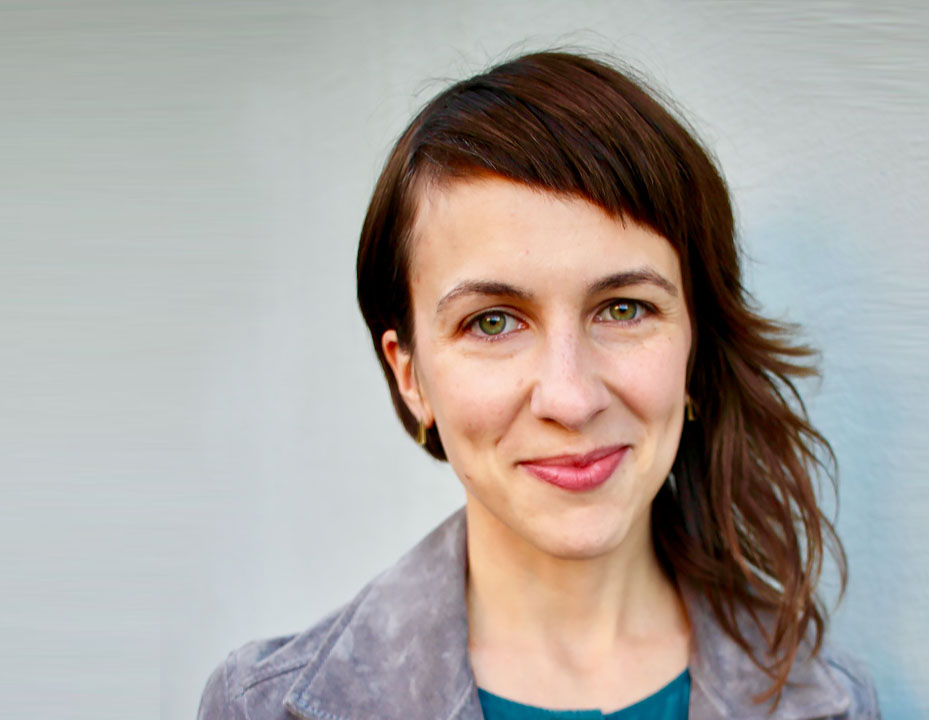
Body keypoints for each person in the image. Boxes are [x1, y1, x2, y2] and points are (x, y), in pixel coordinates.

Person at [197, 50, 879, 719]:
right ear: (412, 379)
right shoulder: (253, 708)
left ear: (695, 344)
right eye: (492, 322)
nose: (571, 398)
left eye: (623, 309)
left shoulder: (831, 697)